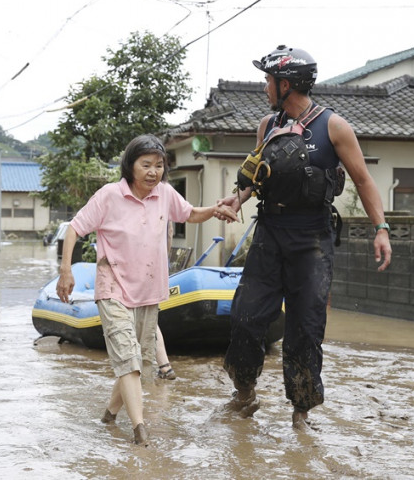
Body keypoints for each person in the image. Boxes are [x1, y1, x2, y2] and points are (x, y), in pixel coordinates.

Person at [215, 46, 392, 427]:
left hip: (312, 239)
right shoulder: (267, 126)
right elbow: (255, 176)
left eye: (268, 80)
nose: (265, 87)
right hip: (270, 234)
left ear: (286, 84)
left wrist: (381, 229)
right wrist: (237, 197)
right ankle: (244, 394)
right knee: (246, 318)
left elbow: (363, 180)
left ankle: (301, 413)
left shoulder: (334, 127)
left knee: (305, 328)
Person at [56, 134, 237, 445]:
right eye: (146, 165)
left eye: (159, 165)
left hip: (149, 289)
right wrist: (65, 270)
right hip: (112, 284)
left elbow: (190, 213)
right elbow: (75, 227)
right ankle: (139, 429)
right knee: (128, 357)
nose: (153, 171)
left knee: (137, 359)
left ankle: (109, 416)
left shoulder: (165, 193)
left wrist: (216, 209)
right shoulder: (109, 195)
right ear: (131, 166)